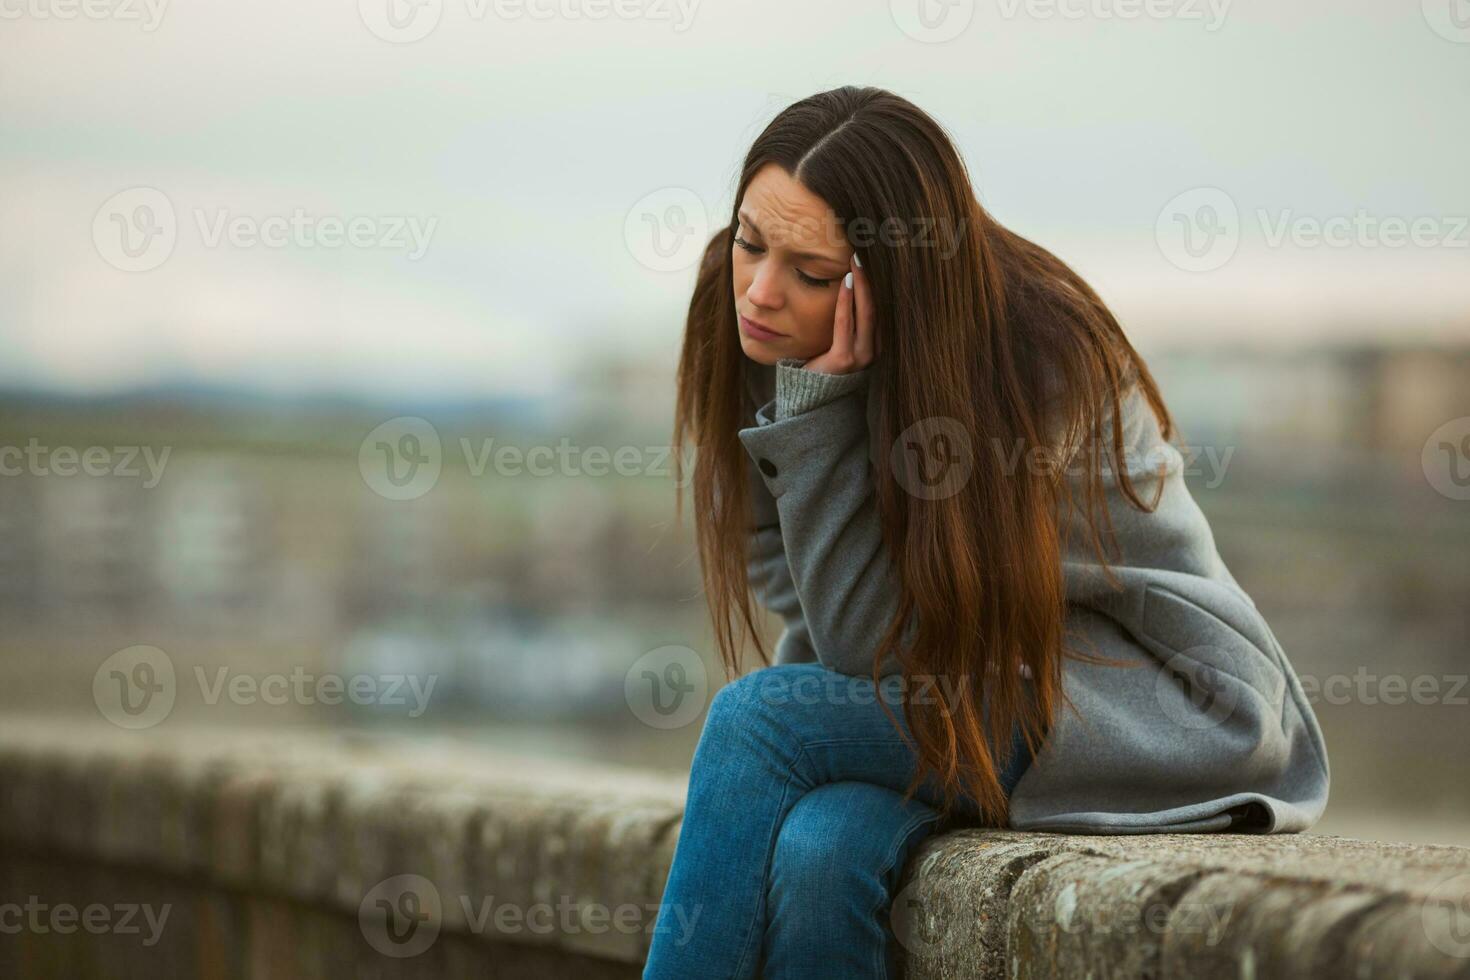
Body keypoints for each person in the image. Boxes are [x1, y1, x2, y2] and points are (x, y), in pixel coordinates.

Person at [645, 84, 1328, 980]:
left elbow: (867, 648)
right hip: (954, 695)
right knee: (819, 852)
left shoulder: (1041, 360)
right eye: (747, 242)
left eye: (811, 274)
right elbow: (789, 573)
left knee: (755, 720)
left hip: (1131, 701)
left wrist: (818, 408)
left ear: (893, 284)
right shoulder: (742, 312)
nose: (760, 292)